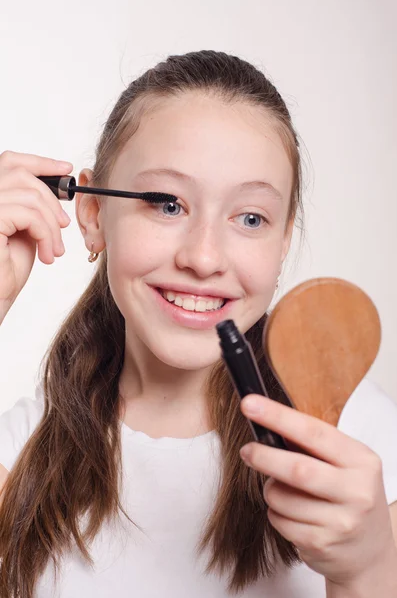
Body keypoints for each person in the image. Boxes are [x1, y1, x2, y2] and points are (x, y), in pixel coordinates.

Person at [0, 50, 396, 598]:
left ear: (283, 242)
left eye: (251, 218)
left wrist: (368, 572)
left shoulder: (365, 444)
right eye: (167, 204)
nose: (204, 258)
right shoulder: (17, 454)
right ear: (93, 216)